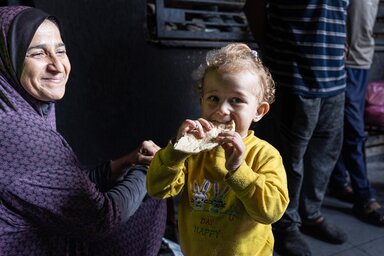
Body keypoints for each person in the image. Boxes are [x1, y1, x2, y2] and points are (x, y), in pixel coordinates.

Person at [0, 6, 166, 256]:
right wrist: (151, 168)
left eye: (60, 50)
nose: (57, 66)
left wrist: (124, 163)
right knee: (152, 194)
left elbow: (53, 186)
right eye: (37, 53)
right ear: (6, 59)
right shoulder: (17, 131)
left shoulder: (11, 109)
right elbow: (101, 219)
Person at [146, 43, 289, 256]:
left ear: (258, 111)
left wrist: (238, 169)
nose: (222, 110)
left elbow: (271, 212)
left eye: (236, 100)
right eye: (213, 98)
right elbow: (157, 190)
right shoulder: (191, 151)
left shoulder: (265, 155)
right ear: (201, 101)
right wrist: (175, 153)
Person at [245, 1, 349, 255]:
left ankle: (311, 214)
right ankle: (285, 226)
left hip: (334, 78)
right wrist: (274, 52)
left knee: (324, 154)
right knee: (288, 158)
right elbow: (253, 6)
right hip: (294, 76)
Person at [328, 0, 384, 226]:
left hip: (361, 58)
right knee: (353, 129)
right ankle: (364, 194)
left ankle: (340, 181)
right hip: (342, 60)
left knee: (346, 125)